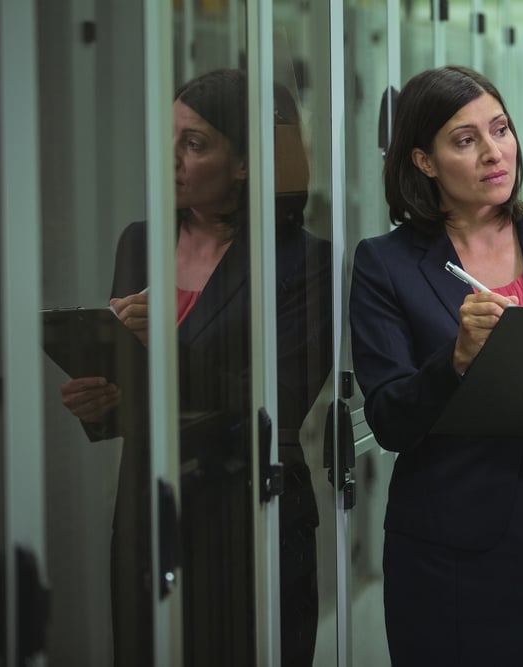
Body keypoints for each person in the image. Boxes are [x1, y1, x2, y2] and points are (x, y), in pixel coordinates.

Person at [348, 65, 523, 666]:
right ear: (423, 161)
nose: (493, 152)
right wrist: (454, 359)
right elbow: (390, 418)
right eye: (465, 140)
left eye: (500, 130)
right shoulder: (385, 264)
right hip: (444, 550)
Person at [59, 68, 330, 666]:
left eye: (195, 143)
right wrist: (102, 404)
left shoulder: (305, 262)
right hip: (148, 506)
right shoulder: (140, 242)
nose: (173, 159)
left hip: (252, 510)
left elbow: (278, 403)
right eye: (170, 139)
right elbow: (137, 386)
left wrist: (166, 346)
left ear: (244, 162)